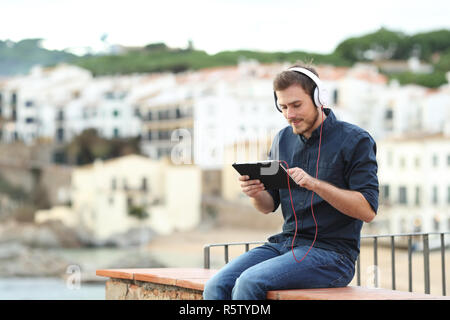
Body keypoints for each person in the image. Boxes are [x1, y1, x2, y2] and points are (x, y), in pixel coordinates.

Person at [203, 64, 379, 300]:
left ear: (319, 98)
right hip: (285, 244)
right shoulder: (282, 139)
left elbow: (367, 210)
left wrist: (315, 184)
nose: (289, 115)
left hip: (333, 255)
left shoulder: (356, 141)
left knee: (248, 282)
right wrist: (255, 193)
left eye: (296, 105)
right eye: (283, 107)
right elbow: (268, 206)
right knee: (216, 285)